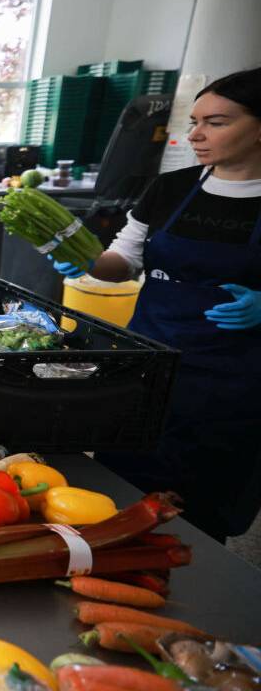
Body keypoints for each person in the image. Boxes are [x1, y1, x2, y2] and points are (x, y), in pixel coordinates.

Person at [50, 67, 261, 543]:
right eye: (195, 121)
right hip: (150, 366)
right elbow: (123, 262)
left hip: (233, 386)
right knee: (123, 490)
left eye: (217, 122)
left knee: (201, 509)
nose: (196, 134)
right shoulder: (170, 189)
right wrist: (87, 261)